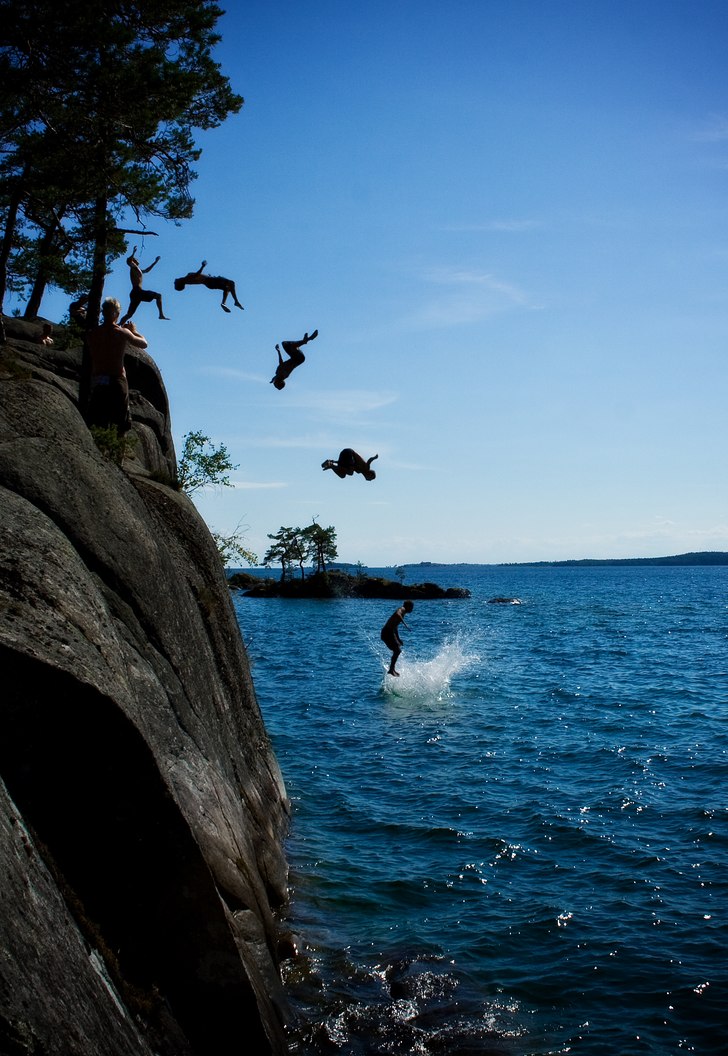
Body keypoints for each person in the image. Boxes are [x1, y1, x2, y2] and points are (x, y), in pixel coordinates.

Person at [86, 297, 148, 432]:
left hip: (97, 379)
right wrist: (133, 331)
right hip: (116, 379)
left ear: (103, 313)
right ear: (117, 314)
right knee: (120, 421)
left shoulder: (93, 333)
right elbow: (144, 343)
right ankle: (118, 449)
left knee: (97, 421)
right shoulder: (122, 332)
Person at [121, 245, 169, 323]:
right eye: (136, 259)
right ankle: (161, 315)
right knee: (158, 296)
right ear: (134, 261)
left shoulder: (138, 269)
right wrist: (133, 253)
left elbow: (147, 270)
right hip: (137, 291)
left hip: (135, 293)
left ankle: (119, 325)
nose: (138, 260)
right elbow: (128, 261)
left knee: (129, 314)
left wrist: (155, 262)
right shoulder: (133, 267)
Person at [174, 260, 244, 312]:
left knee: (227, 288)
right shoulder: (186, 279)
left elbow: (198, 277)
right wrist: (202, 266)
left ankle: (225, 303)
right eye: (175, 283)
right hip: (210, 280)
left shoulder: (186, 280)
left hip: (209, 283)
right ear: (179, 283)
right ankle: (235, 301)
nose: (174, 281)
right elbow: (197, 275)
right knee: (231, 283)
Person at [380, 600, 414, 676]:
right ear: (408, 606)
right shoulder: (402, 609)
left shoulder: (403, 612)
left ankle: (392, 669)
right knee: (397, 650)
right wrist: (405, 623)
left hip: (389, 632)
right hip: (387, 633)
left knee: (397, 649)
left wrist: (398, 639)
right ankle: (391, 669)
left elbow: (395, 627)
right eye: (412, 607)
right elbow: (397, 614)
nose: (412, 609)